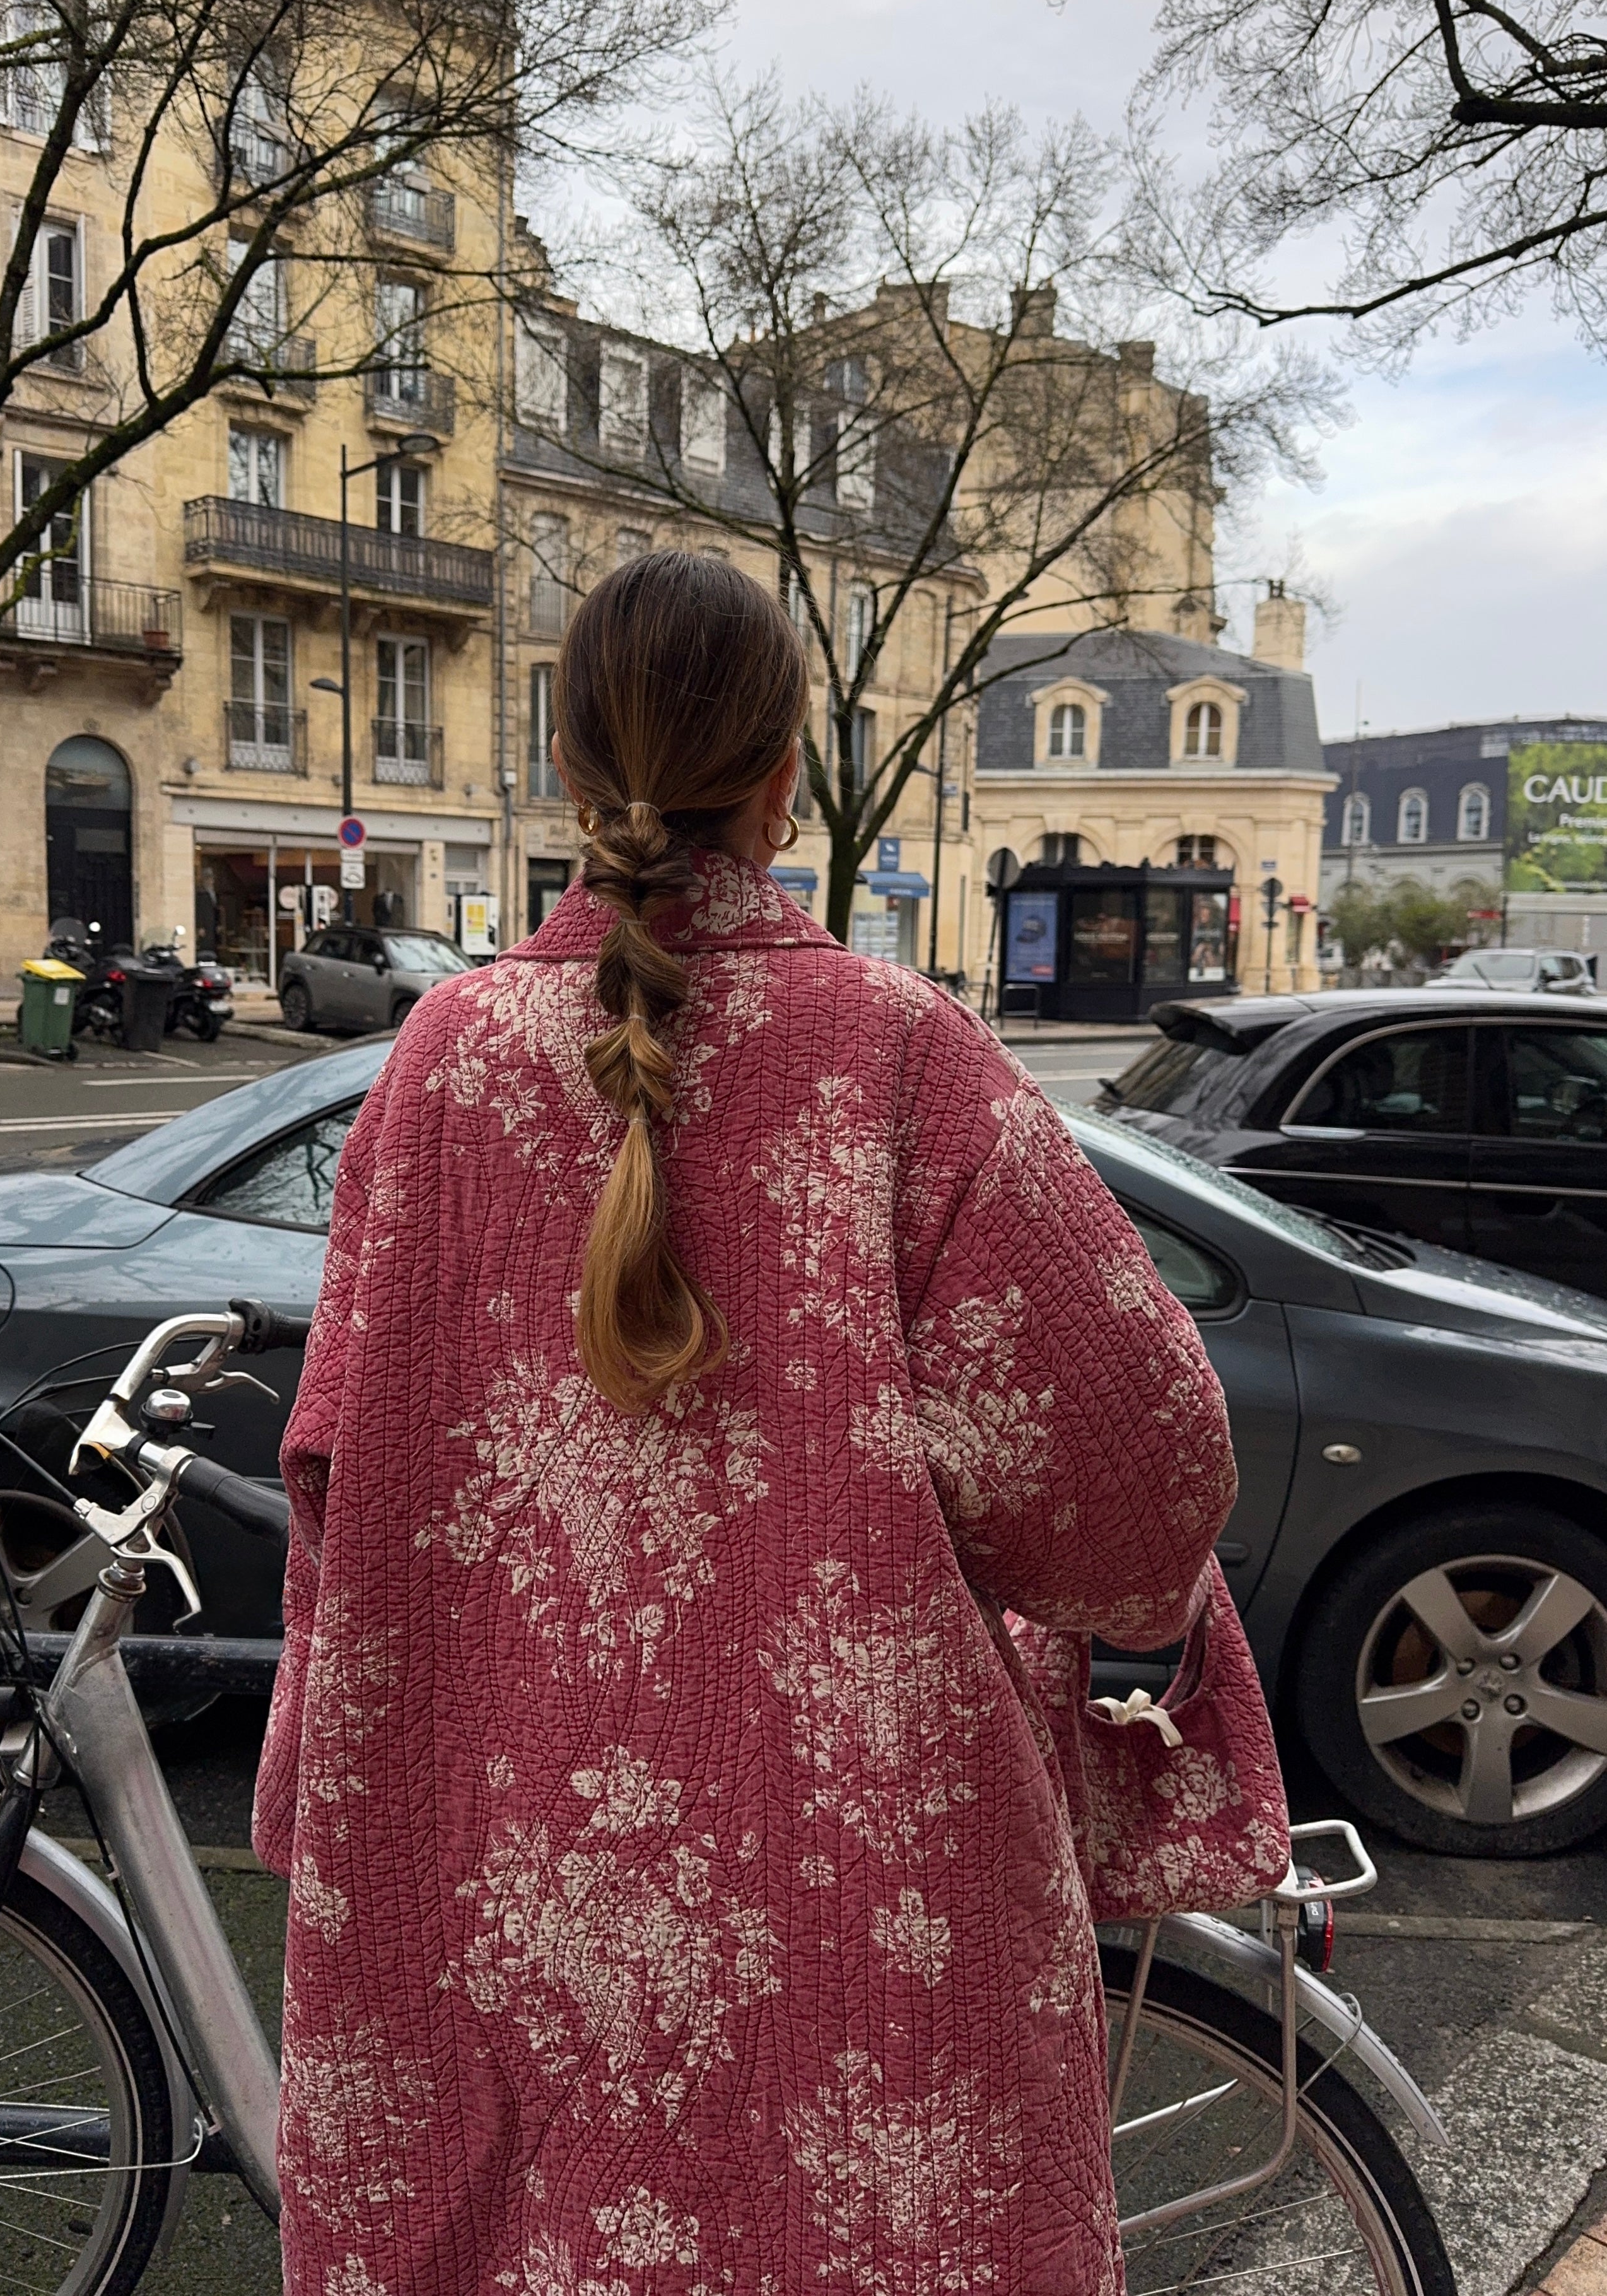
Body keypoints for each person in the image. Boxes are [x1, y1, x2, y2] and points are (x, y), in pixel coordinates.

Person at [255, 550, 1238, 2293]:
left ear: (568, 770)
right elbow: (1142, 1469)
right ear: (786, 780)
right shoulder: (900, 1056)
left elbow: (337, 1480)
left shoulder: (438, 1066)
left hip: (504, 1923)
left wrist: (311, 1796)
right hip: (868, 1941)